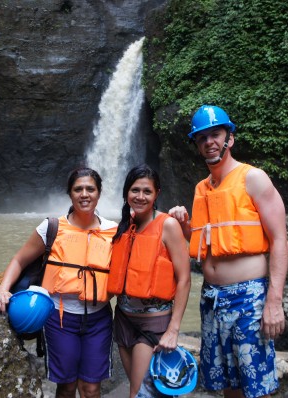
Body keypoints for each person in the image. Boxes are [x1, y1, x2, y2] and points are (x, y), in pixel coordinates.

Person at [169, 105, 288, 398]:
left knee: (255, 385)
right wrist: (184, 226)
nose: (209, 141)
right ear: (197, 145)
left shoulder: (254, 178)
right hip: (211, 299)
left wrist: (274, 301)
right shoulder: (201, 189)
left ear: (229, 139)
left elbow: (280, 240)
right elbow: (206, 243)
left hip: (249, 297)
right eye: (202, 138)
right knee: (227, 384)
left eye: (215, 134)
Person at [0, 167, 118, 398]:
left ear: (99, 194)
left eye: (90, 189)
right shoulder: (51, 228)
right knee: (67, 386)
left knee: (91, 389)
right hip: (60, 318)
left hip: (99, 319)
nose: (84, 194)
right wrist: (3, 289)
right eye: (78, 189)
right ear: (70, 194)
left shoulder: (113, 231)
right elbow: (20, 259)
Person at [108, 164, 191, 398]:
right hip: (123, 320)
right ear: (126, 193)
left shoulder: (168, 225)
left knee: (140, 394)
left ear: (157, 194)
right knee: (139, 391)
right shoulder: (126, 225)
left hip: (152, 324)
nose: (140, 196)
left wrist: (173, 330)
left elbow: (184, 279)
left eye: (147, 191)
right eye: (135, 190)